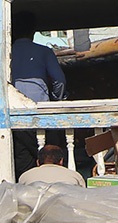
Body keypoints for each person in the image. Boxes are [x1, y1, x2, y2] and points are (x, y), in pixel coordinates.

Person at [10, 10, 66, 173]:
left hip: (16, 118)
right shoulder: (43, 52)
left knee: (24, 167)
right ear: (33, 31)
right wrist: (56, 100)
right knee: (51, 161)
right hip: (42, 115)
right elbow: (59, 81)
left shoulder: (5, 53)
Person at [19, 144, 86, 187]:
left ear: (38, 162)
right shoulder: (75, 176)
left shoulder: (25, 176)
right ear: (61, 161)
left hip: (36, 209)